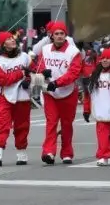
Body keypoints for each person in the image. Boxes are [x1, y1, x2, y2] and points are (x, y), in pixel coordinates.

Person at [35, 21, 83, 165]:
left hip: (68, 92)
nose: (59, 36)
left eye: (62, 34)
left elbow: (73, 73)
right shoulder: (45, 49)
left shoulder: (74, 52)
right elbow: (40, 66)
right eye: (57, 34)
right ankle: (48, 151)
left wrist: (57, 83)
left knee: (67, 124)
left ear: (65, 35)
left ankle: (67, 152)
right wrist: (43, 72)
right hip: (50, 93)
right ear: (52, 36)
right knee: (51, 122)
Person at [0, 31, 32, 167]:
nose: (12, 40)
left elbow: (34, 70)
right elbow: (2, 80)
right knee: (2, 124)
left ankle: (22, 153)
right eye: (8, 39)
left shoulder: (25, 57)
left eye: (12, 38)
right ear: (3, 44)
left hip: (22, 97)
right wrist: (21, 73)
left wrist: (29, 79)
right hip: (3, 96)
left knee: (22, 126)